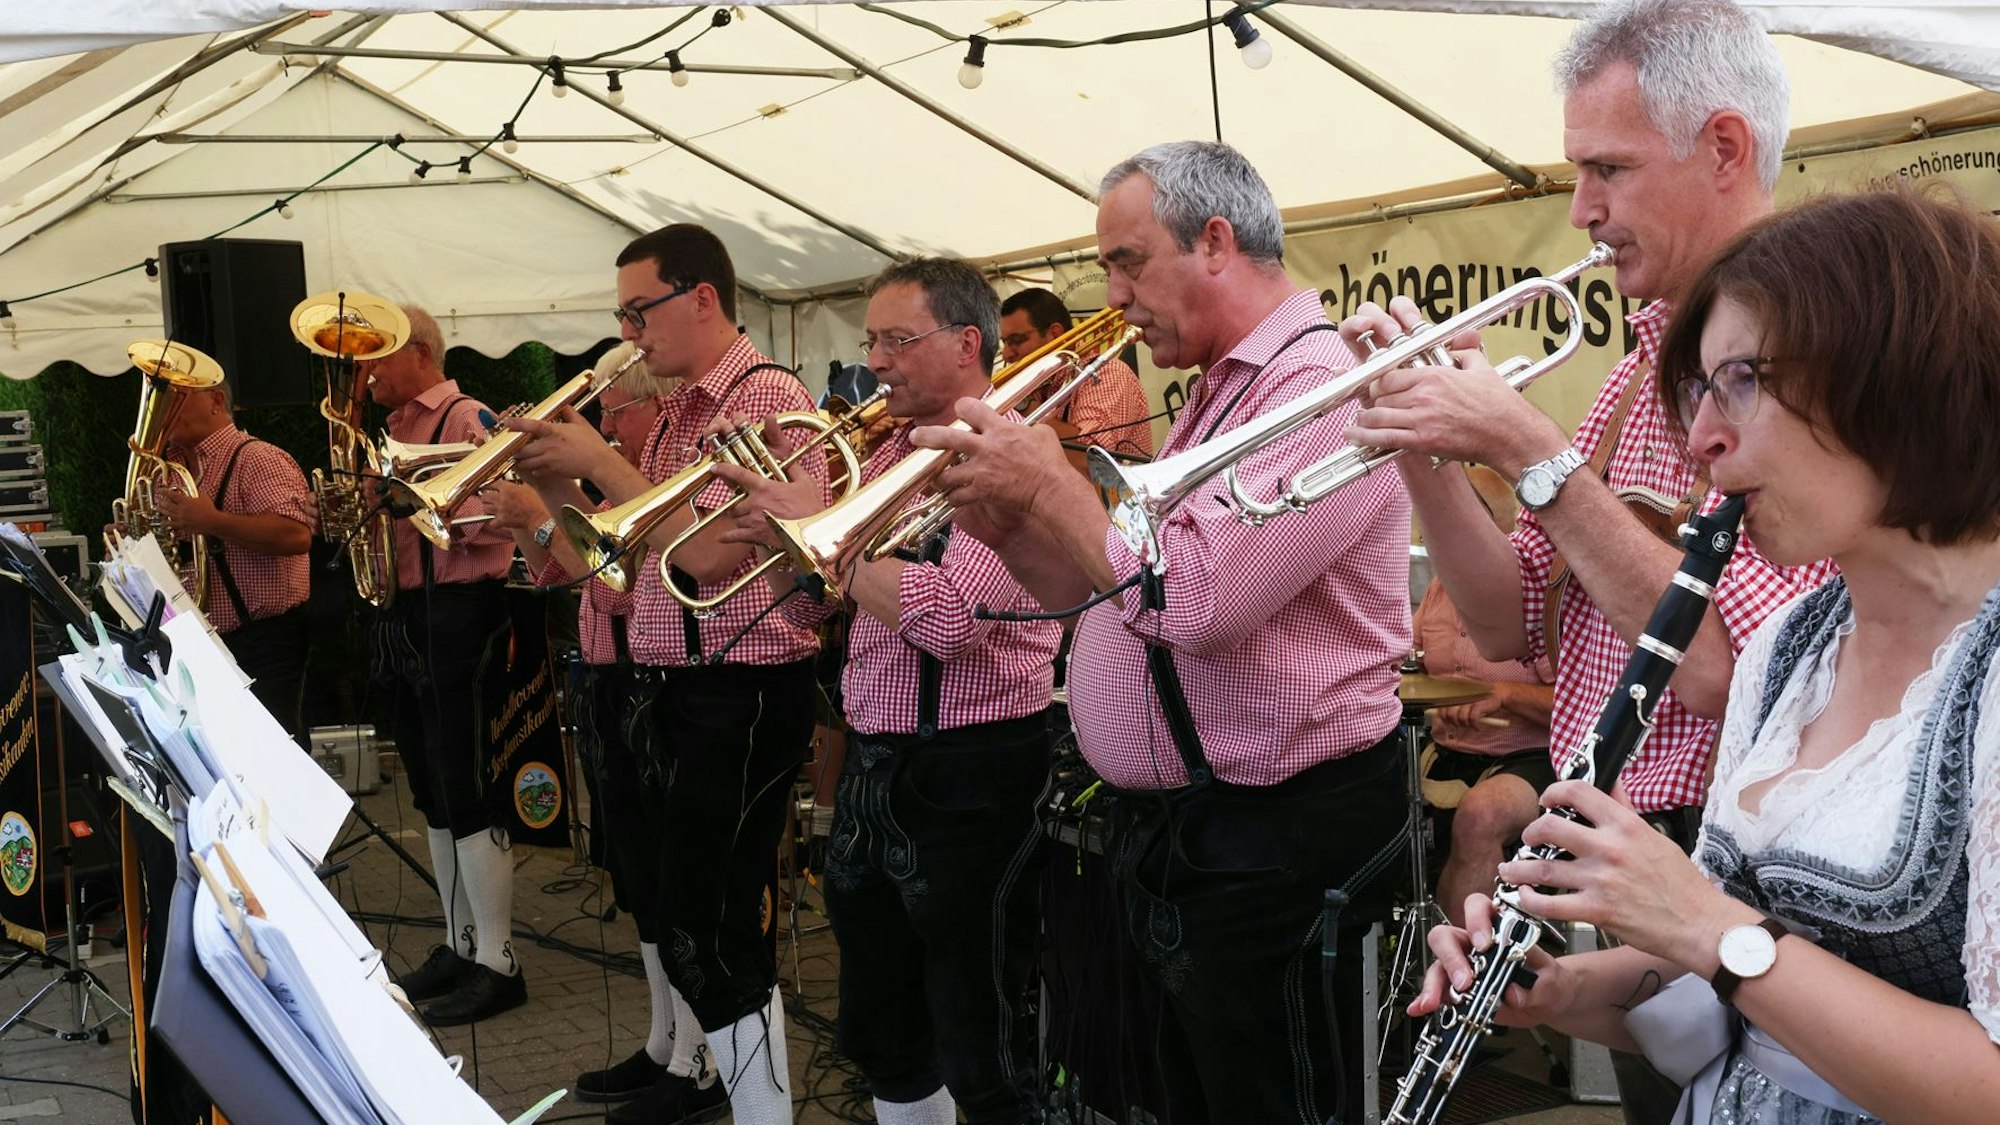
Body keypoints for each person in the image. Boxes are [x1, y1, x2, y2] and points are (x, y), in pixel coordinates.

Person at [1414, 186, 2000, 1125]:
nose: (1702, 440)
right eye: (1698, 391)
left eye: (1743, 382)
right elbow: (1729, 983)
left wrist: (1706, 922)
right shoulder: (1787, 649)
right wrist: (1557, 989)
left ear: (1895, 371)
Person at [1339, 3, 1826, 1115]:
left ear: (1722, 149)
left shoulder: (1798, 350)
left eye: (1605, 168)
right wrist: (1425, 438)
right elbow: (1513, 623)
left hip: (1728, 853)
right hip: (1635, 844)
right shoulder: (1635, 364)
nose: (1580, 211)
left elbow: (1722, 670)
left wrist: (1527, 446)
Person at [915, 140, 1410, 1124]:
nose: (1111, 296)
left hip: (1278, 838)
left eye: (1126, 261)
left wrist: (1051, 483)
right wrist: (1007, 522)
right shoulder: (1222, 388)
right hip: (1201, 837)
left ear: (1215, 241)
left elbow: (1196, 600)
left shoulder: (1320, 384)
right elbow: (1109, 593)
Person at [715, 258, 1062, 1125]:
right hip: (881, 764)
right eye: (872, 340)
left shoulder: (1011, 448)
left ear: (965, 345)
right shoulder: (881, 450)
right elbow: (837, 597)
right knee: (883, 1028)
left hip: (973, 774)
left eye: (897, 341)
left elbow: (949, 617)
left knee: (982, 1039)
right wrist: (796, 549)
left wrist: (823, 539)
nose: (877, 360)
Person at [508, 224, 822, 1125]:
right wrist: (565, 490)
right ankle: (744, 1097)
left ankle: (762, 1109)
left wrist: (599, 464)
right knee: (692, 921)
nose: (630, 331)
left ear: (703, 298)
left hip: (739, 689)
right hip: (677, 686)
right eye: (622, 314)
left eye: (637, 311)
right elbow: (626, 556)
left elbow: (714, 553)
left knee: (712, 926)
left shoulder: (763, 396)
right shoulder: (684, 408)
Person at [489, 349, 722, 1122]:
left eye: (617, 411)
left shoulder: (652, 494)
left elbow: (619, 590)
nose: (605, 426)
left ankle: (698, 1057)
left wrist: (552, 503)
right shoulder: (619, 489)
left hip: (640, 676)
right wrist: (534, 518)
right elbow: (559, 573)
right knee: (638, 876)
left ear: (654, 412)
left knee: (673, 877)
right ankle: (664, 1038)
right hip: (605, 678)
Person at [366, 304, 526, 1025]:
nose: (367, 371)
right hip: (408, 616)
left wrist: (409, 500)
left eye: (381, 355)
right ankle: (461, 943)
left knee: (466, 782)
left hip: (463, 614)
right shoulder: (393, 426)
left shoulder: (467, 417)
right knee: (430, 785)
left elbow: (502, 517)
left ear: (422, 353)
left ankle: (499, 958)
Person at [1412, 466, 1556, 927]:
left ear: (1493, 524)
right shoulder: (1437, 590)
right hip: (1445, 755)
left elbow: (1583, 702)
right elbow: (1408, 669)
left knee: (1482, 814)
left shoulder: (1533, 592)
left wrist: (1502, 693)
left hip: (1532, 757)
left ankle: (1465, 978)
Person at [156, 379, 316, 741]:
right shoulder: (169, 469)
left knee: (276, 758)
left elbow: (296, 535)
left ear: (215, 400)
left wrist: (212, 522)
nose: (165, 410)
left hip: (263, 643)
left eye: (177, 399)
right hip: (199, 644)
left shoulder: (257, 458)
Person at [999, 287, 1154, 459]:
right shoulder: (1040, 384)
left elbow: (1090, 459)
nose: (1006, 355)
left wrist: (1022, 404)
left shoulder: (1106, 372)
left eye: (1016, 341)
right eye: (1004, 343)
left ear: (1054, 333)